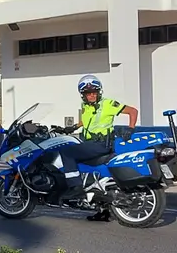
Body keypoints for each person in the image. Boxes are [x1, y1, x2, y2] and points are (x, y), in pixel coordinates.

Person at [53, 75, 139, 222]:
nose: (91, 95)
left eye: (94, 92)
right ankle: (103, 211)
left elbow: (133, 111)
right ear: (83, 95)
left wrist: (130, 129)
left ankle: (75, 187)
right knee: (91, 171)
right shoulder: (86, 106)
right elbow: (86, 121)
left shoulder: (108, 104)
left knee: (67, 152)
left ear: (99, 92)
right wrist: (72, 128)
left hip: (100, 145)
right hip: (90, 144)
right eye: (88, 93)